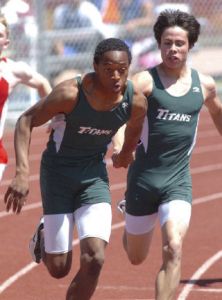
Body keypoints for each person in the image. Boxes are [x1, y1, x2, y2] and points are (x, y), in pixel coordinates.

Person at [4, 38, 147, 300]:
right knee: (59, 269)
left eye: (122, 69)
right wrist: (22, 174)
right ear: (95, 66)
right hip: (57, 175)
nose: (116, 76)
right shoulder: (71, 94)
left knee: (95, 259)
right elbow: (25, 120)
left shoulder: (134, 100)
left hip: (93, 177)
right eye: (109, 69)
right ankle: (45, 231)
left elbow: (135, 125)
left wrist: (125, 152)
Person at [113, 10, 222, 300]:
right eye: (167, 43)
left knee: (173, 246)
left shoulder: (205, 85)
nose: (173, 49)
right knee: (136, 257)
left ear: (190, 45)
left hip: (178, 182)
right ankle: (130, 212)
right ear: (159, 44)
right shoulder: (144, 82)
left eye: (179, 43)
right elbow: (119, 119)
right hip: (143, 181)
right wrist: (120, 148)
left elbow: (217, 113)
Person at [0, 13, 51, 181]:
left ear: (6, 43)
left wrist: (55, 118)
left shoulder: (14, 70)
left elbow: (42, 83)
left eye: (0, 35)